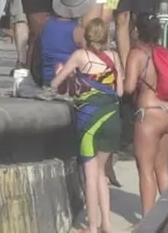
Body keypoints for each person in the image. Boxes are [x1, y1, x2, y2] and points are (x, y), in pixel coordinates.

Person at [50, 17, 122, 233]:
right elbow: (119, 91)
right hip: (113, 119)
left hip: (89, 120)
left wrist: (64, 74)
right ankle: (106, 224)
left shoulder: (80, 56)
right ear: (106, 37)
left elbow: (55, 84)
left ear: (87, 36)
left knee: (90, 176)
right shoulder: (114, 56)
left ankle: (91, 227)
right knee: (101, 173)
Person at [123, 13, 168, 217]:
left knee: (145, 169)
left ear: (137, 31)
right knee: (162, 167)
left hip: (150, 113)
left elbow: (129, 88)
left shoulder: (137, 54)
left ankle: (148, 222)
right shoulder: (164, 52)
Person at [38, 0, 95, 86]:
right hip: (70, 81)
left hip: (47, 78)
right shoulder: (78, 31)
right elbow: (89, 57)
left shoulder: (46, 24)